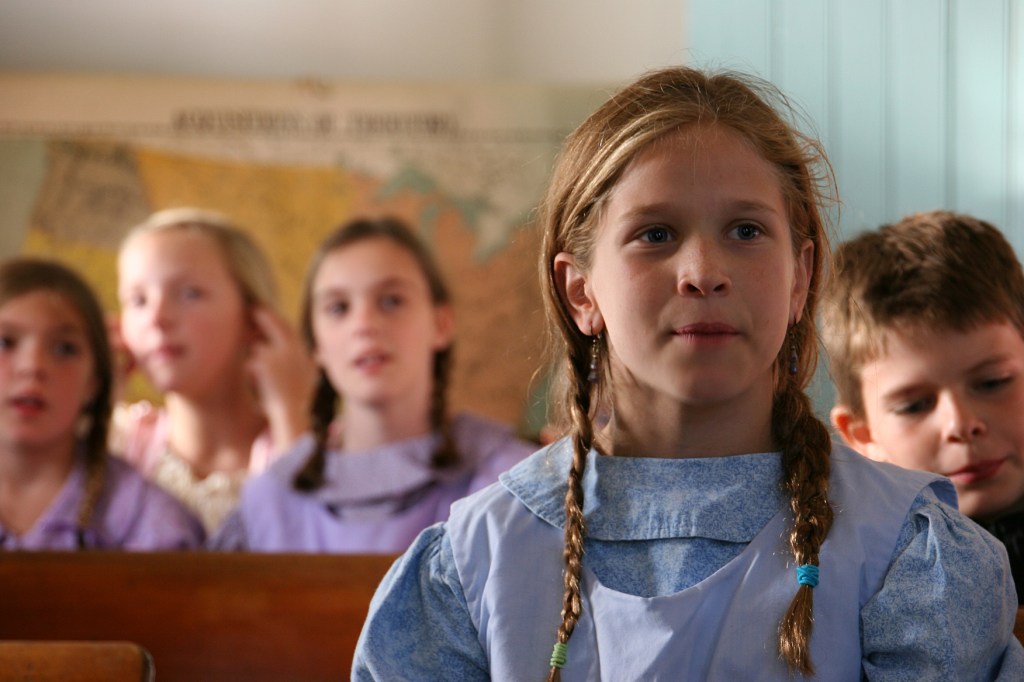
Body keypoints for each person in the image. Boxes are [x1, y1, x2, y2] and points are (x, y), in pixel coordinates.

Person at [352, 67, 1024, 680]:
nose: (704, 272)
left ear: (802, 277)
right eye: (655, 234)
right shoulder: (473, 565)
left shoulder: (907, 555)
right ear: (582, 291)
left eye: (745, 230)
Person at [211, 216, 535, 552]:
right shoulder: (268, 503)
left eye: (391, 301)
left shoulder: (509, 483)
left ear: (441, 324)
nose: (364, 324)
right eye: (338, 308)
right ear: (316, 344)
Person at [822, 210, 1024, 603]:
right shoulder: (859, 576)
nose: (961, 424)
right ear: (861, 434)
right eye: (915, 405)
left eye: (992, 382)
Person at [112, 207, 315, 534]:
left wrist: (290, 411)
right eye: (138, 300)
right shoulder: (119, 441)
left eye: (189, 293)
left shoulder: (306, 443)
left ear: (254, 319)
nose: (157, 317)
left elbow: (319, 550)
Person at [0, 257, 203, 549]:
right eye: (5, 342)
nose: (33, 366)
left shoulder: (150, 521)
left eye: (64, 349)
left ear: (95, 380)